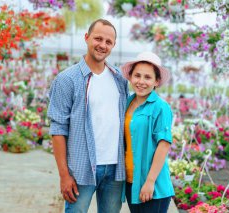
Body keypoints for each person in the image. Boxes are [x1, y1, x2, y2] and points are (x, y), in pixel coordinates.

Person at [47, 19, 128, 213]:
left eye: (108, 42)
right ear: (86, 38)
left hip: (115, 169)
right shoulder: (67, 79)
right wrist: (64, 175)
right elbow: (58, 129)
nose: (102, 45)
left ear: (113, 45)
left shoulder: (120, 78)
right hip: (81, 170)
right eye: (98, 38)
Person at [121, 52, 175, 213]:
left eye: (147, 77)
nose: (141, 82)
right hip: (132, 182)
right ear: (130, 77)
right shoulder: (127, 103)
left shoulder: (160, 107)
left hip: (153, 187)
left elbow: (163, 146)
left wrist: (150, 181)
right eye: (137, 75)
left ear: (156, 81)